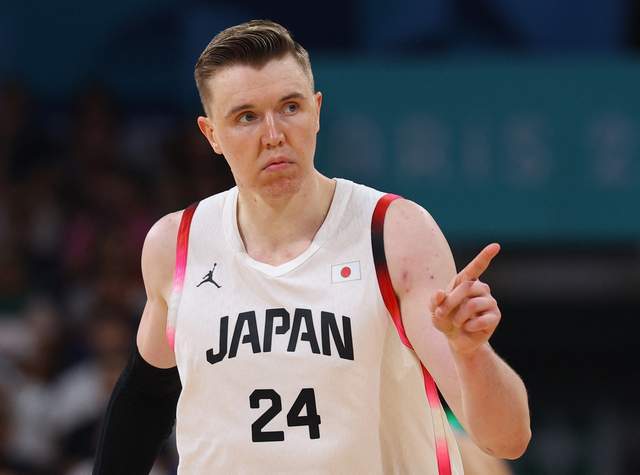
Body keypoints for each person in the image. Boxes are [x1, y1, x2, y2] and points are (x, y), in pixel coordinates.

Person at [93, 20, 531, 474]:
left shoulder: (393, 233)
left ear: (317, 110)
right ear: (211, 135)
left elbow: (508, 439)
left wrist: (472, 354)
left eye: (290, 107)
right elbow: (144, 397)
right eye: (246, 117)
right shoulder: (177, 244)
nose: (273, 134)